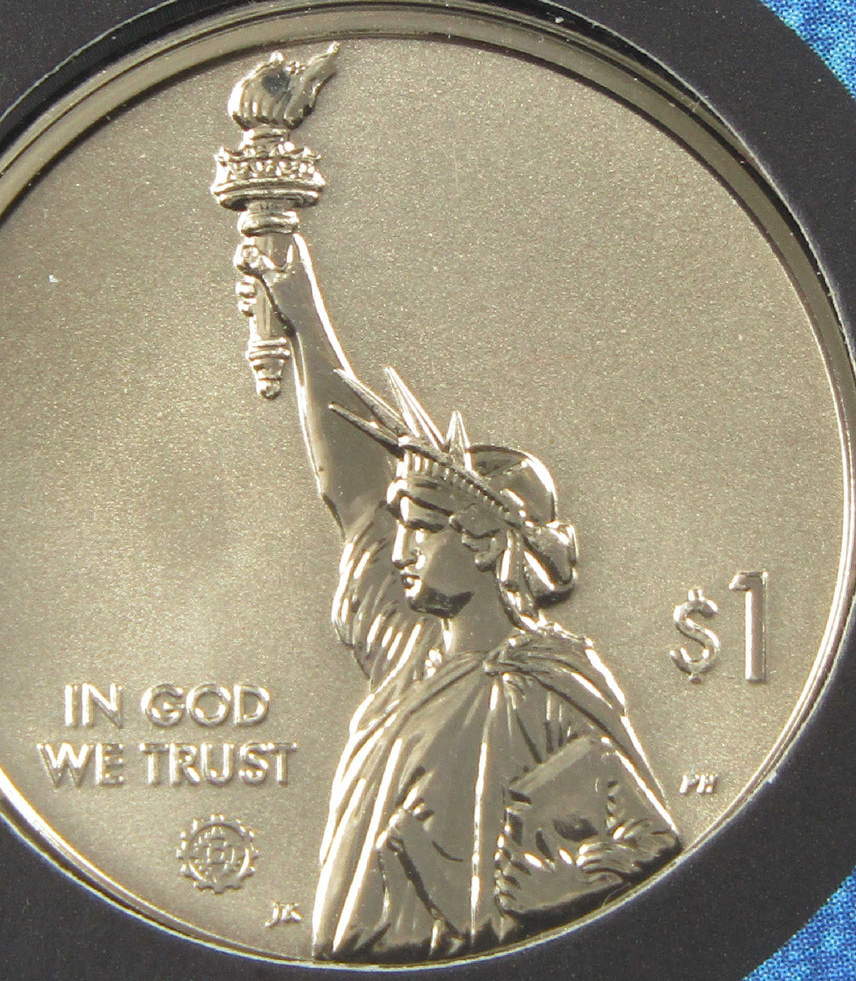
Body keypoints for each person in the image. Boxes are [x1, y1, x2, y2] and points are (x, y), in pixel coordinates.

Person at [235, 228, 680, 964]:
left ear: (484, 543)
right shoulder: (410, 655)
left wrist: (548, 895)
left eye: (421, 530)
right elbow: (352, 488)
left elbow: (645, 852)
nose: (399, 550)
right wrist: (301, 314)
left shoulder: (546, 689)